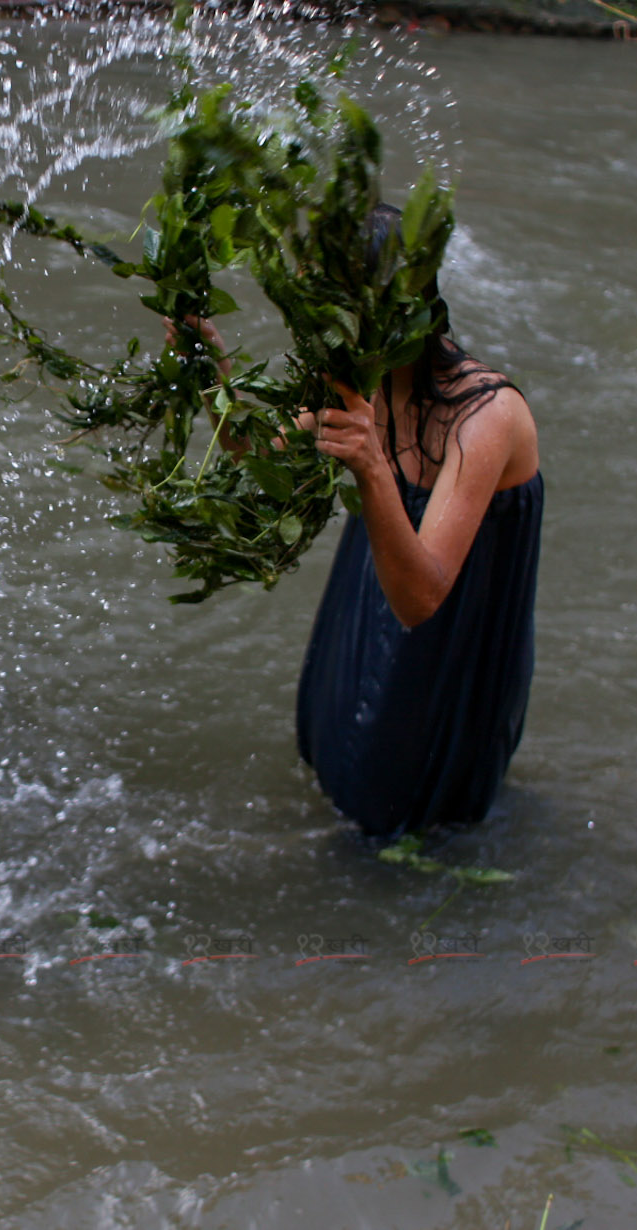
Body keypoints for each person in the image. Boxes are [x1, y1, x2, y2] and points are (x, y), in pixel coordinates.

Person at [176, 214, 542, 838]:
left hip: (453, 619)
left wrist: (372, 466)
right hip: (372, 582)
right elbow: (254, 453)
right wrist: (204, 366)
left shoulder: (486, 417)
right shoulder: (352, 377)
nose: (320, 330)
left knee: (423, 810)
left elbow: (421, 599)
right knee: (337, 747)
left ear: (396, 312)